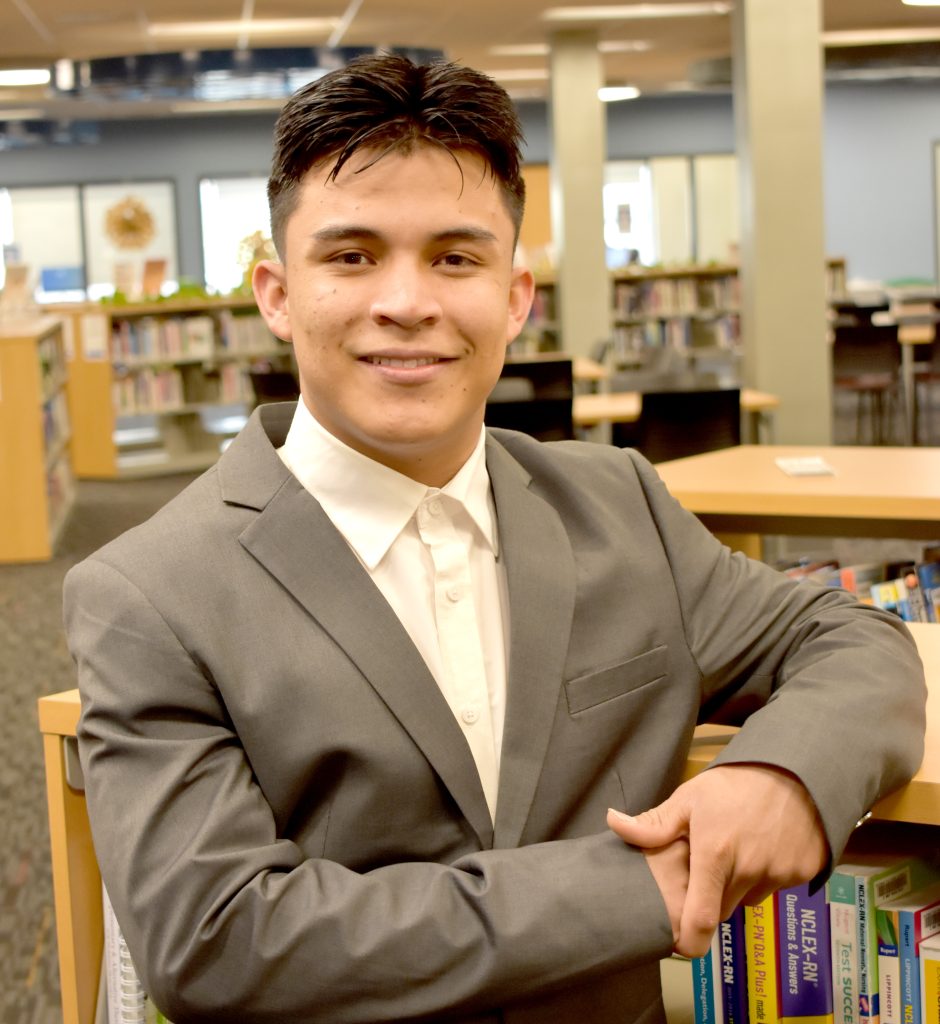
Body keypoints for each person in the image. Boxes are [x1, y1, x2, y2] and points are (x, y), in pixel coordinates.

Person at [63, 54, 926, 1024]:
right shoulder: (148, 593)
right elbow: (218, 940)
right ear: (274, 292)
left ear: (515, 296)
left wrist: (785, 773)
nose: (407, 302)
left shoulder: (616, 502)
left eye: (454, 257)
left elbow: (852, 641)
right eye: (351, 256)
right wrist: (645, 885)